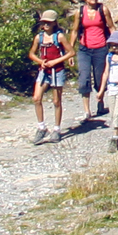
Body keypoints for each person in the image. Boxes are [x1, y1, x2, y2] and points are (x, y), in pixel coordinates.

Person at [30, 8, 71, 143]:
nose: (46, 25)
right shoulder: (39, 37)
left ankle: (57, 129)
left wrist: (55, 61)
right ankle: (41, 127)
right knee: (36, 98)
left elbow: (70, 52)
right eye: (44, 22)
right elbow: (31, 54)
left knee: (56, 101)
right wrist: (41, 62)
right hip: (44, 71)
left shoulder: (59, 37)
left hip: (57, 71)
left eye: (49, 22)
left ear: (54, 23)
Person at [74, 0, 114, 120]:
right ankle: (87, 111)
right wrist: (70, 49)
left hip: (101, 48)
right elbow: (74, 30)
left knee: (99, 77)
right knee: (84, 77)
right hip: (84, 49)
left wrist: (117, 45)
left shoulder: (103, 10)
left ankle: (100, 102)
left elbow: (111, 27)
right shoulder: (80, 12)